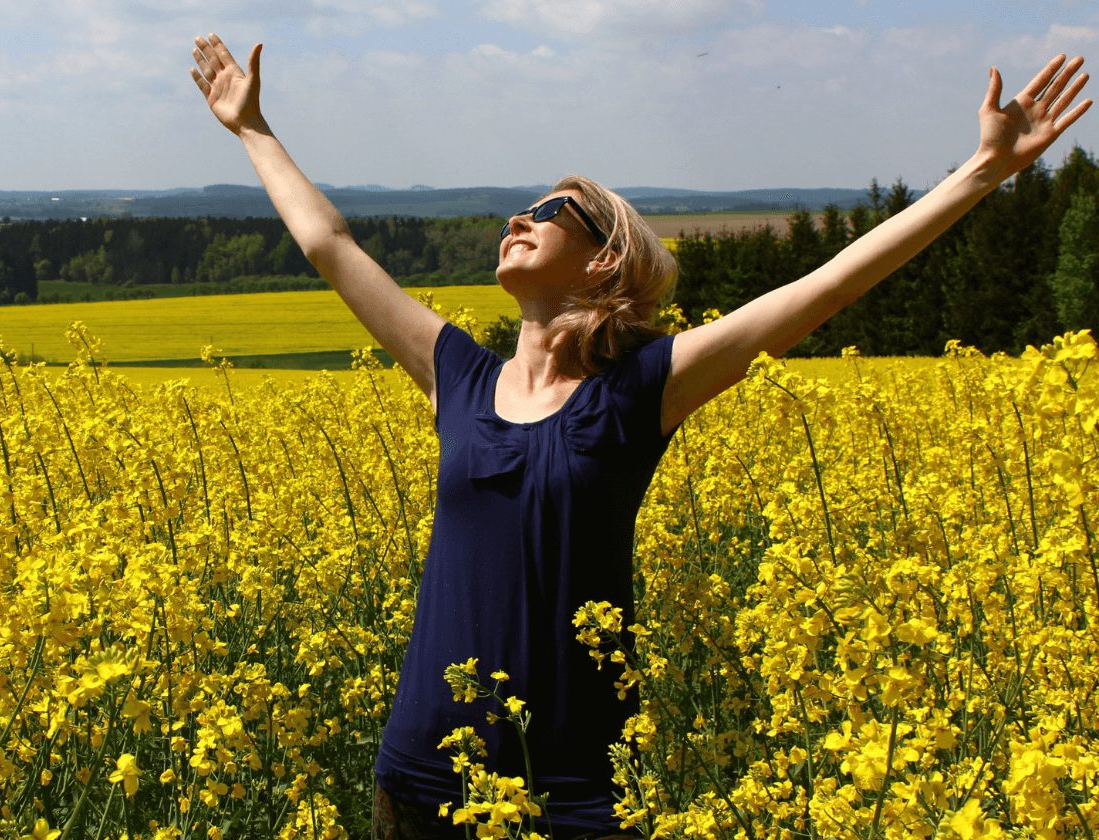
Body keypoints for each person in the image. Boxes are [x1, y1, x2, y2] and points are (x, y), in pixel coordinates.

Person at [190, 32, 1090, 838]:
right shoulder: (456, 376)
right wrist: (251, 128)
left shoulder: (636, 393)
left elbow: (822, 291)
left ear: (606, 257)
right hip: (424, 779)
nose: (518, 220)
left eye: (548, 214)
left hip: (574, 793)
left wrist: (980, 174)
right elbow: (332, 246)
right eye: (519, 210)